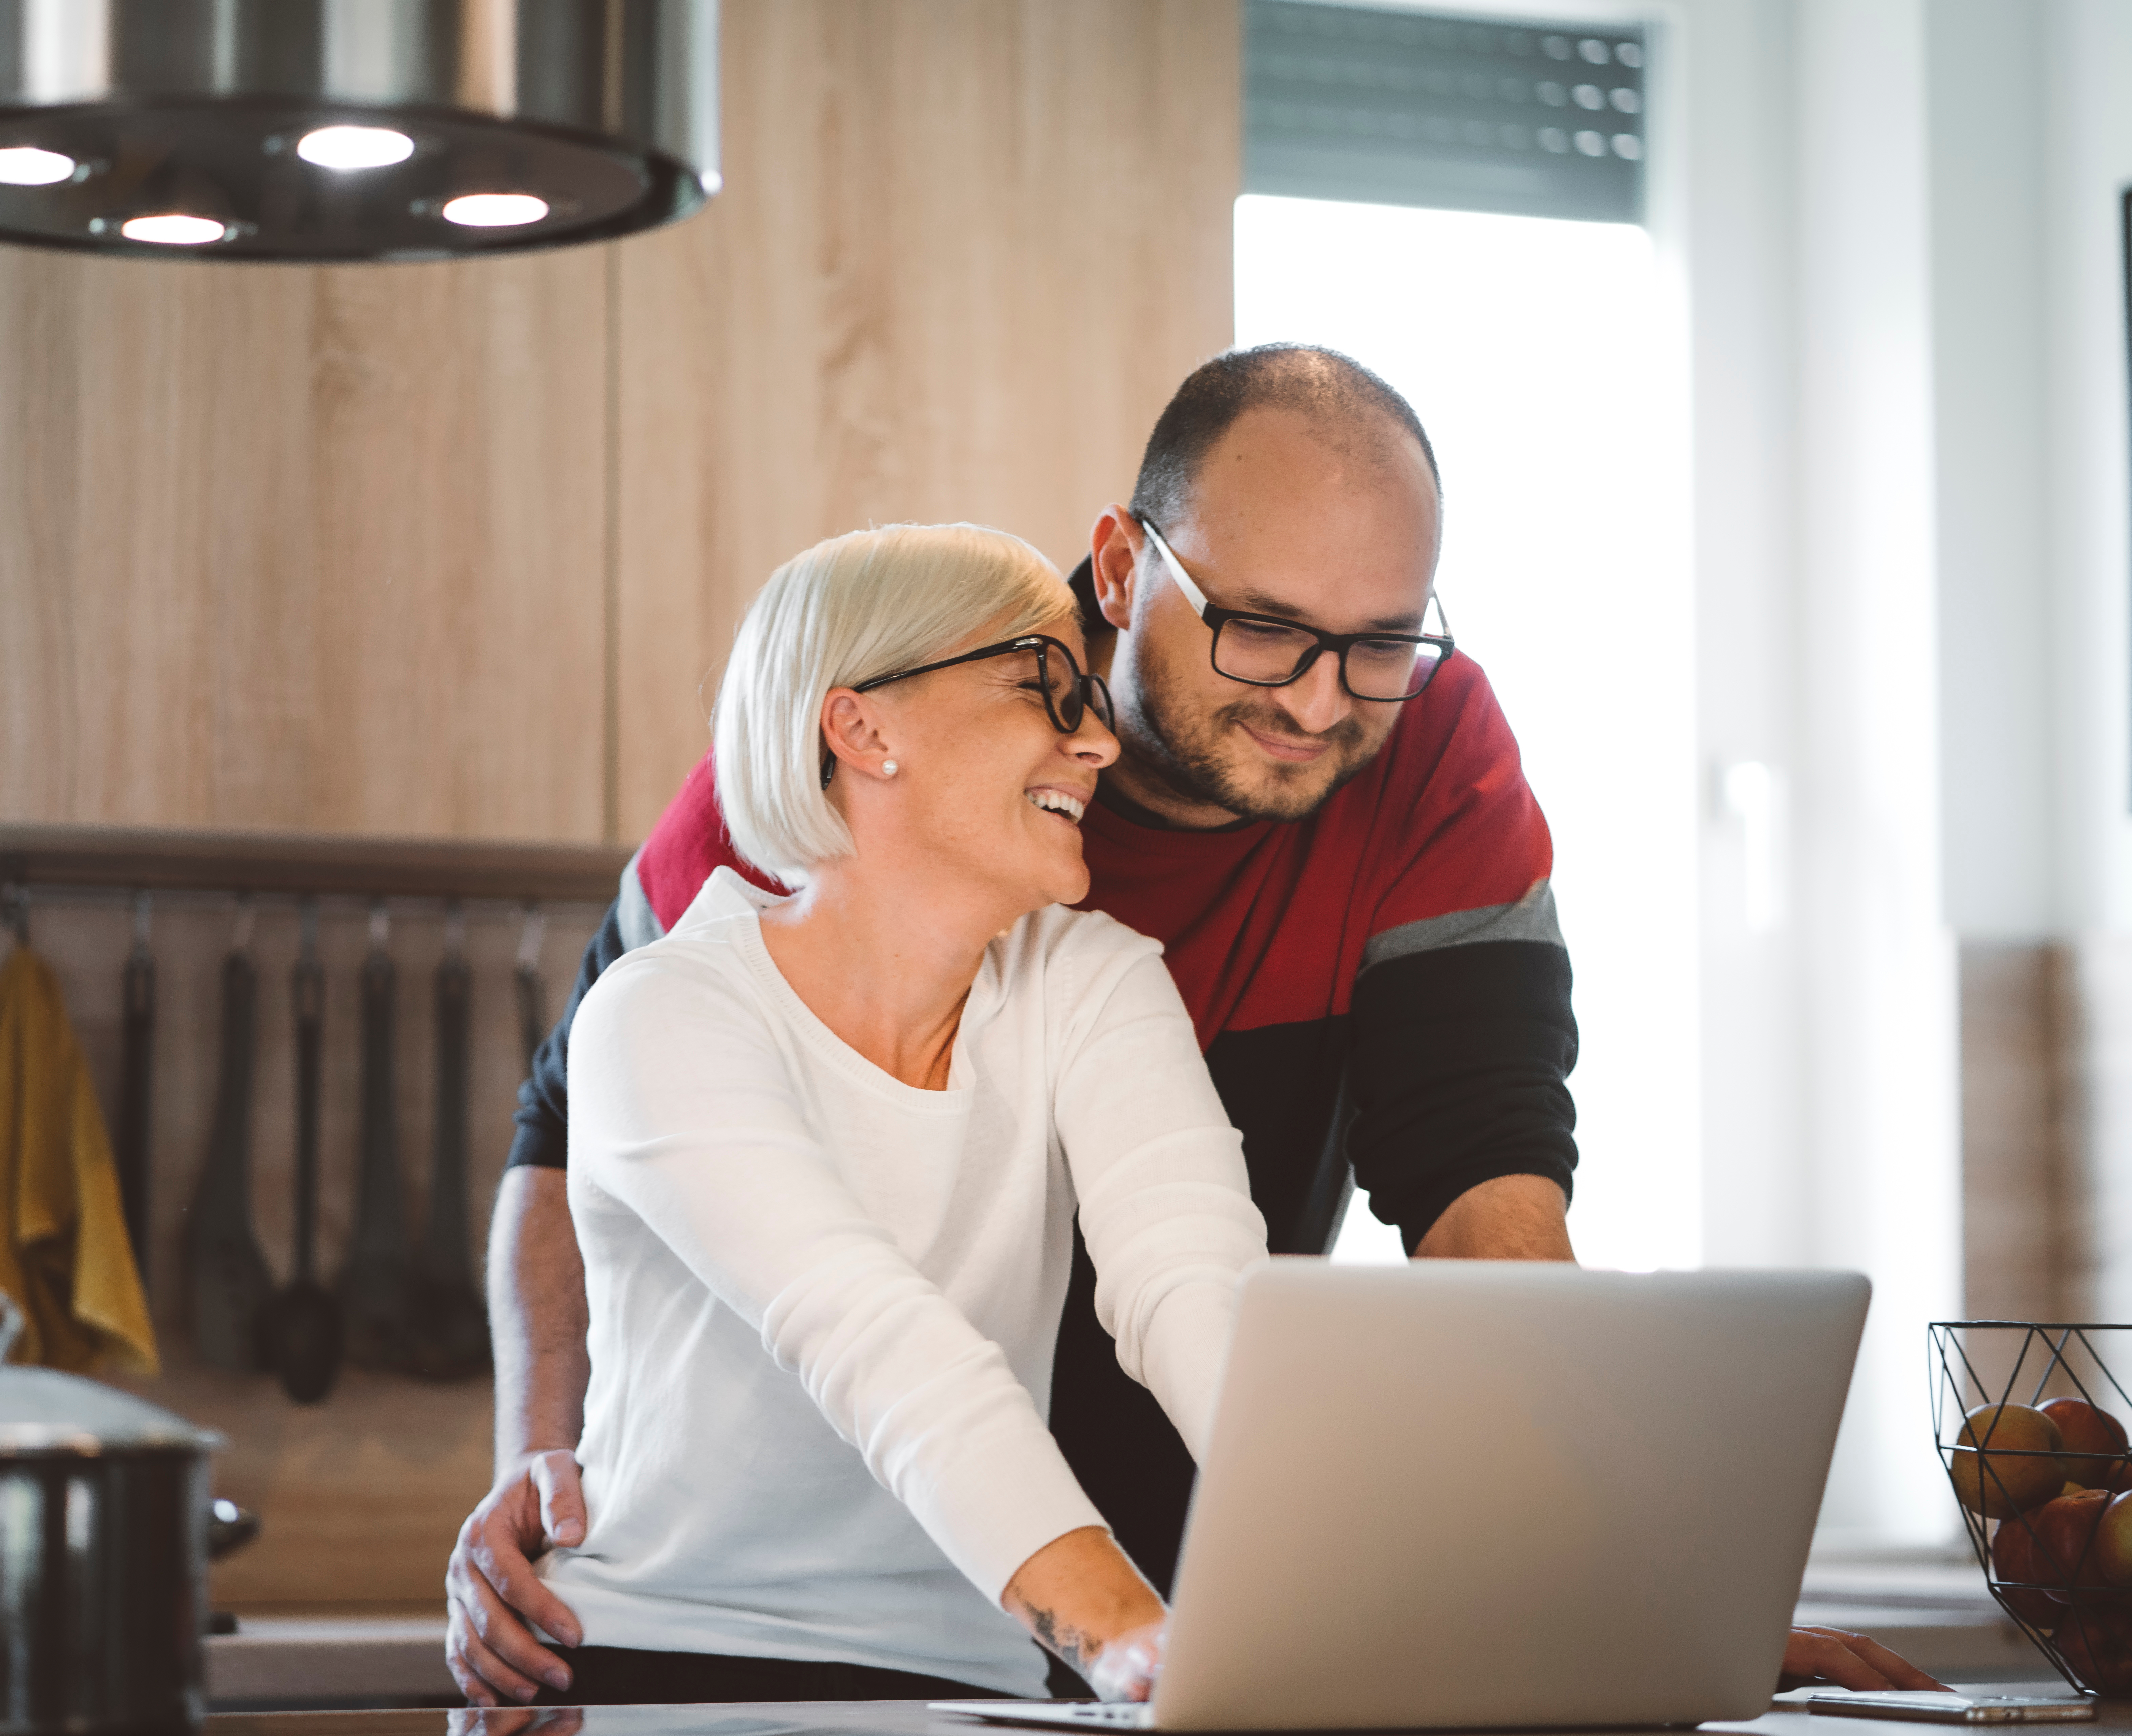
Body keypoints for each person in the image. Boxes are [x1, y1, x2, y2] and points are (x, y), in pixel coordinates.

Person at [445, 344, 1944, 1705]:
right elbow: (715, 1240)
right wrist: (544, 1480)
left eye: (1376, 642)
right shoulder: (714, 924)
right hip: (757, 1633)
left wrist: (1574, 1597)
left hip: (1062, 1616)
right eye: (1260, 630)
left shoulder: (1110, 956)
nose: (1318, 698)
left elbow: (1254, 1279)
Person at [535, 522, 1265, 1704]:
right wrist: (1141, 1646)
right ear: (864, 726)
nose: (1095, 738)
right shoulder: (665, 1013)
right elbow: (885, 1352)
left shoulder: (1094, 981)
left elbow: (1193, 1287)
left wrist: (1339, 1589)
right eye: (1046, 684)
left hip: (966, 1684)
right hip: (665, 1671)